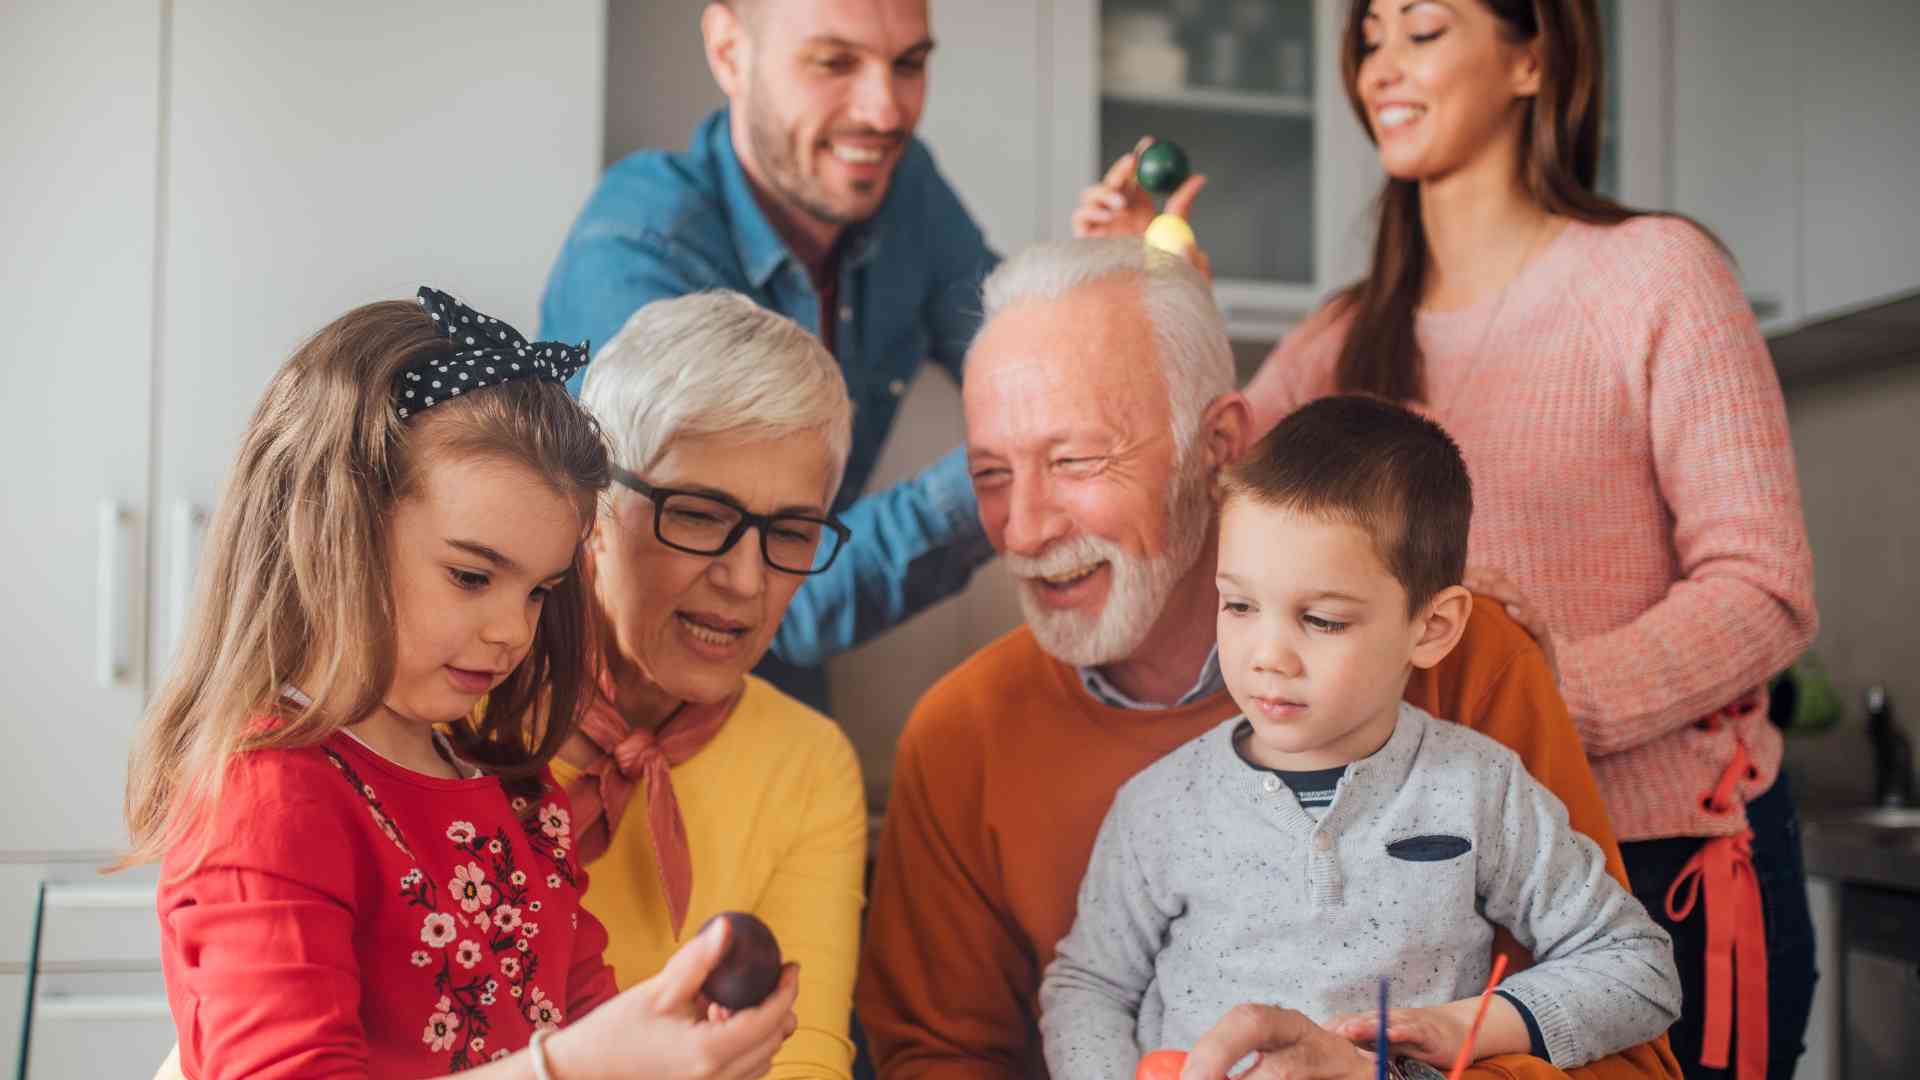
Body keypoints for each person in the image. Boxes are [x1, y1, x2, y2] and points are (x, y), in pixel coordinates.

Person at [1078, 0, 1819, 1075]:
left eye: (1422, 30)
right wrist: (1146, 310)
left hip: (1661, 861)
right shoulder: (1341, 335)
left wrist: (1537, 698)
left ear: (1532, 57)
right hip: (1425, 889)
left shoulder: (1657, 275)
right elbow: (1214, 513)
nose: (1381, 65)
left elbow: (1766, 585)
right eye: (1370, 36)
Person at [857, 237, 1681, 1080]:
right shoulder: (963, 736)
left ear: (1216, 446)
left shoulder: (1470, 675)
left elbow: (1632, 1045)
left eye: (1075, 460)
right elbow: (946, 1058)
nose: (1023, 528)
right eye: (991, 473)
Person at [125, 289, 798, 1079]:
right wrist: (569, 1068)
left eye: (540, 590)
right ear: (331, 530)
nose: (514, 629)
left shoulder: (514, 790)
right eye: (472, 575)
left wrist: (681, 1049)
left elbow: (582, 1018)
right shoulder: (269, 797)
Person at [1039, 396, 1680, 1080]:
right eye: (1240, 606)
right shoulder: (1159, 806)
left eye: (1322, 620)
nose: (1268, 656)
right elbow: (1088, 989)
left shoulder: (1480, 789)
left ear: (1431, 629)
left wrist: (1460, 1027)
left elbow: (1638, 971)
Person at [541, 0, 1005, 711]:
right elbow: (790, 602)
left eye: (909, 64)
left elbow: (1013, 348)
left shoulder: (908, 190)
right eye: (834, 62)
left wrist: (1104, 300)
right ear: (729, 51)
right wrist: (1007, 475)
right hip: (594, 717)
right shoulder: (639, 246)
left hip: (775, 716)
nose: (885, 113)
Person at [554, 292, 868, 1080]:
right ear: (593, 504)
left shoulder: (808, 765)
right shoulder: (456, 698)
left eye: (791, 532)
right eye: (697, 515)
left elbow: (806, 1064)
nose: (744, 579)